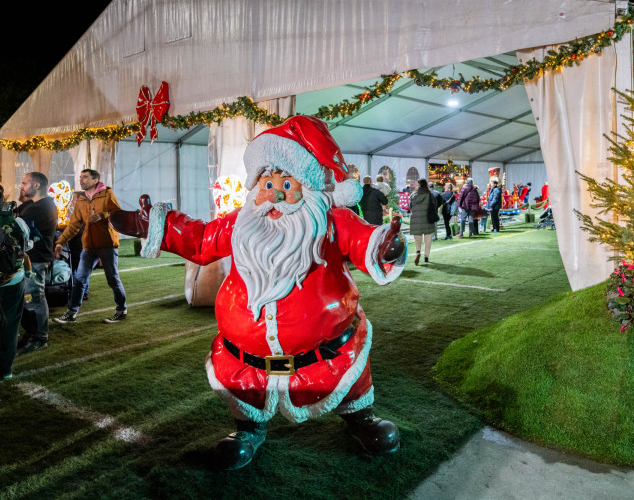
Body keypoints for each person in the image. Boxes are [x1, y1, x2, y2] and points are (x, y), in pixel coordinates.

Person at [110, 115, 407, 470]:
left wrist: (386, 245)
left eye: (286, 181)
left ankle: (361, 418)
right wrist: (155, 224)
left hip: (328, 351)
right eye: (267, 182)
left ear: (309, 187)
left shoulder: (331, 221)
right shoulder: (241, 222)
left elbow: (364, 239)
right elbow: (202, 238)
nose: (274, 192)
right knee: (248, 392)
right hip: (246, 356)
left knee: (348, 378)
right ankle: (248, 429)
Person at [53, 169, 127, 324]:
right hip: (88, 246)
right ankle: (71, 313)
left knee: (112, 279)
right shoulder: (80, 200)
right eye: (80, 177)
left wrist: (102, 216)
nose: (81, 180)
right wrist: (60, 242)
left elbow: (118, 214)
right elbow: (73, 225)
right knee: (79, 279)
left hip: (107, 244)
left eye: (85, 177)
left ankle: (121, 310)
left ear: (95, 180)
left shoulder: (107, 194)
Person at [15, 172, 58, 354]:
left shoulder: (40, 208)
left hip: (35, 260)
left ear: (37, 185)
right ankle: (32, 334)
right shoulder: (36, 205)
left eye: (25, 183)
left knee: (33, 299)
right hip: (31, 259)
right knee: (27, 300)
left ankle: (39, 337)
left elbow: (14, 224)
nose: (21, 186)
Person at [0, 185, 30, 382]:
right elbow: (26, 247)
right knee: (10, 326)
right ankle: (5, 370)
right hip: (13, 281)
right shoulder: (17, 221)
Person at [409, 179, 436, 264]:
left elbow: (410, 207)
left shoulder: (413, 195)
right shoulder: (430, 195)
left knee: (417, 240)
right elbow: (435, 205)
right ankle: (426, 257)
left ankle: (418, 252)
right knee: (427, 240)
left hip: (416, 219)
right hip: (428, 219)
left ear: (418, 185)